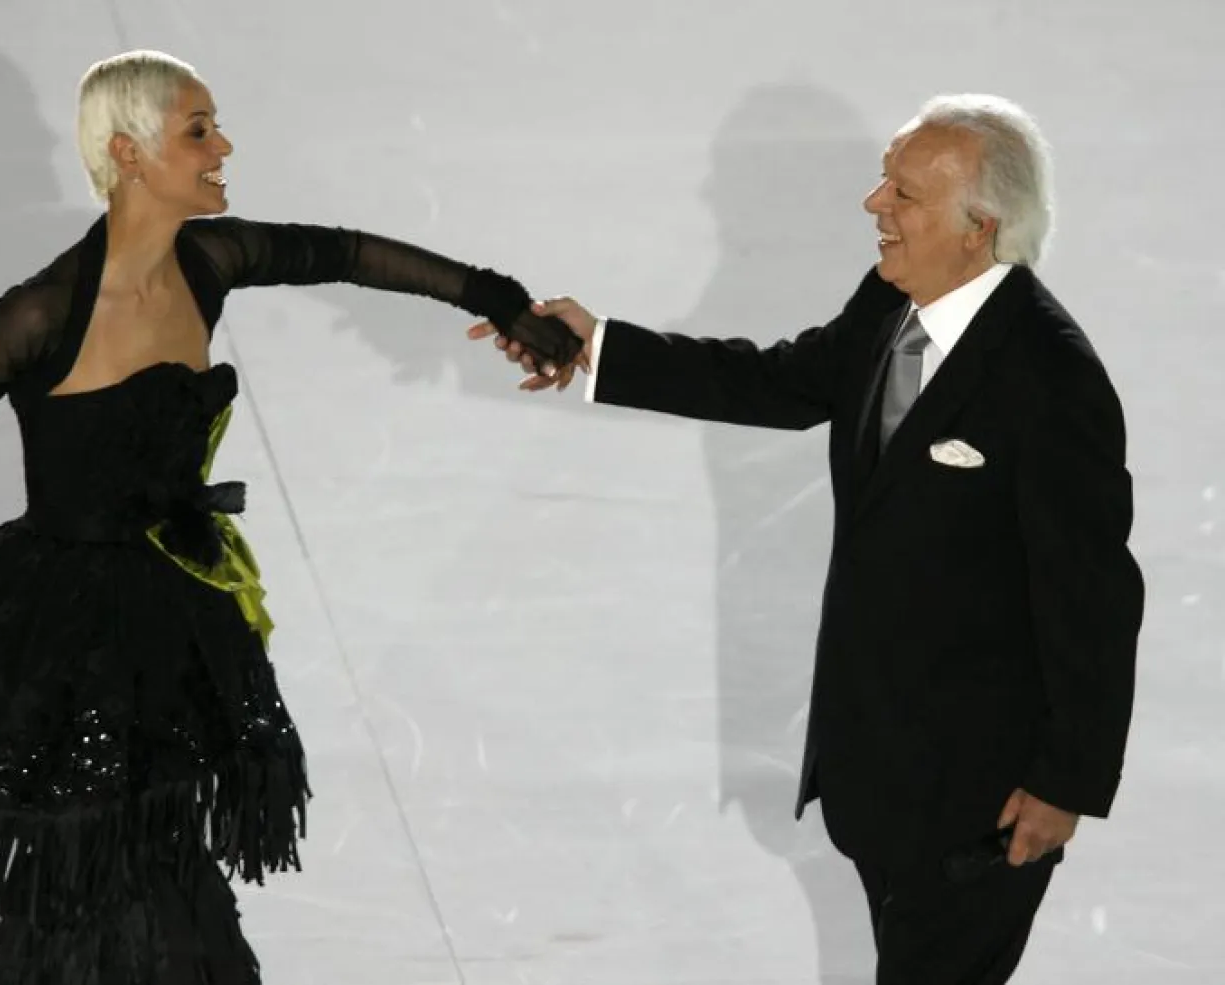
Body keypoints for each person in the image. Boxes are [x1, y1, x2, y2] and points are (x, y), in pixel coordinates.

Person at [0, 48, 580, 985]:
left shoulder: (210, 261)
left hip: (170, 606)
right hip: (64, 636)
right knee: (96, 882)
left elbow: (352, 254)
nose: (223, 146)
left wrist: (504, 304)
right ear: (127, 151)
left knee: (150, 873)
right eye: (199, 131)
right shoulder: (40, 312)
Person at [472, 93, 1144, 984]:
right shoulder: (892, 304)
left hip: (982, 793)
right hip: (881, 767)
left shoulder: (1052, 378)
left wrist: (1066, 784)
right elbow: (783, 382)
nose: (875, 206)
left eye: (903, 195)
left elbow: (1095, 599)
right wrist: (602, 348)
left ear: (978, 227)